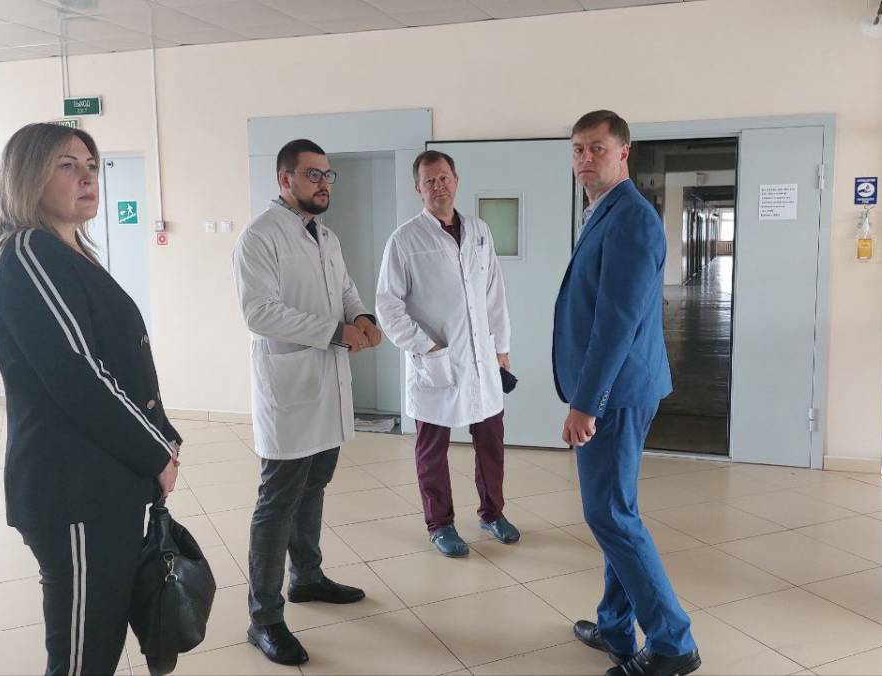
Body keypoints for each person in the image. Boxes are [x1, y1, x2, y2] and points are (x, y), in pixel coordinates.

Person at [0, 123, 182, 676]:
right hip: (72, 488)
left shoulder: (70, 252)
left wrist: (162, 435)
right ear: (26, 177)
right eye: (67, 165)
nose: (88, 176)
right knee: (83, 657)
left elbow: (121, 362)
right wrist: (154, 452)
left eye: (91, 165)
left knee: (102, 638)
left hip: (105, 479)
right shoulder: (27, 253)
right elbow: (79, 375)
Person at [553, 110, 701, 676]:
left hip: (615, 392)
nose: (585, 158)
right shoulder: (603, 210)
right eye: (577, 149)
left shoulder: (632, 218)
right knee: (617, 509)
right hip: (617, 387)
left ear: (623, 154)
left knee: (610, 515)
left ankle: (672, 643)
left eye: (597, 148)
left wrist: (586, 402)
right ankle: (615, 626)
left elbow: (617, 321)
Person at [231, 139, 382, 666]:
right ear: (285, 179)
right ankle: (264, 618)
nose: (323, 183)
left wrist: (361, 317)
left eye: (327, 175)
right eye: (312, 174)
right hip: (289, 390)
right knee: (277, 503)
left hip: (326, 385)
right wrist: (336, 332)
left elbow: (345, 289)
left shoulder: (326, 236)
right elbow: (259, 313)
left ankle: (308, 577)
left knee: (314, 486)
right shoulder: (259, 236)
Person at [375, 150, 518, 558]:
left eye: (444, 178)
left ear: (456, 180)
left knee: (491, 440)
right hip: (435, 362)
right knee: (432, 447)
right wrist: (427, 346)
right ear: (417, 188)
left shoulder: (479, 231)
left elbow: (493, 293)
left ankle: (492, 513)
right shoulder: (404, 240)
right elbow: (388, 305)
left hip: (481, 358)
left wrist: (501, 348)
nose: (438, 186)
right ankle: (440, 523)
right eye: (429, 181)